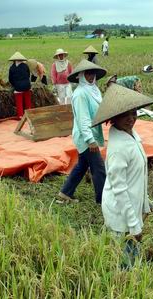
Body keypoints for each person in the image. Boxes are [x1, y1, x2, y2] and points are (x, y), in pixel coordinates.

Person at [92, 84, 153, 269]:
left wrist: (146, 201)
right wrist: (134, 225)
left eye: (134, 112)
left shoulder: (132, 136)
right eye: (125, 115)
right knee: (124, 263)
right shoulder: (118, 149)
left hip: (131, 210)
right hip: (121, 215)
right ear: (113, 118)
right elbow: (120, 189)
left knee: (131, 257)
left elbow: (136, 178)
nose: (131, 118)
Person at [58, 59, 107, 205]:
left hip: (90, 134)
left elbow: (97, 110)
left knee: (82, 165)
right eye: (88, 74)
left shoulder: (93, 90)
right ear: (81, 75)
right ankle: (103, 200)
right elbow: (83, 119)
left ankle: (65, 192)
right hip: (85, 137)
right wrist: (90, 140)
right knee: (99, 168)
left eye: (93, 73)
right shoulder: (80, 94)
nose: (91, 76)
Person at [8, 52, 32, 118]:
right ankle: (29, 114)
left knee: (19, 103)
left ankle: (20, 116)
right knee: (27, 101)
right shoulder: (25, 66)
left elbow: (10, 79)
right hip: (27, 86)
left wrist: (15, 84)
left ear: (14, 60)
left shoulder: (12, 68)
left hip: (18, 87)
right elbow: (28, 75)